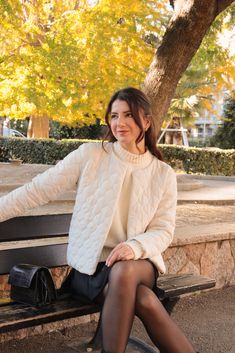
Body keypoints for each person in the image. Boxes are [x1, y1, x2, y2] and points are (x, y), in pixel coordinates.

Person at [0, 87, 196, 353]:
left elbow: (163, 230)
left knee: (125, 269)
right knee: (145, 301)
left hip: (137, 266)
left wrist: (134, 247)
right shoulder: (90, 156)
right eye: (114, 116)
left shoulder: (162, 174)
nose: (119, 123)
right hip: (91, 270)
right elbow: (37, 190)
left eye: (128, 115)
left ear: (146, 121)